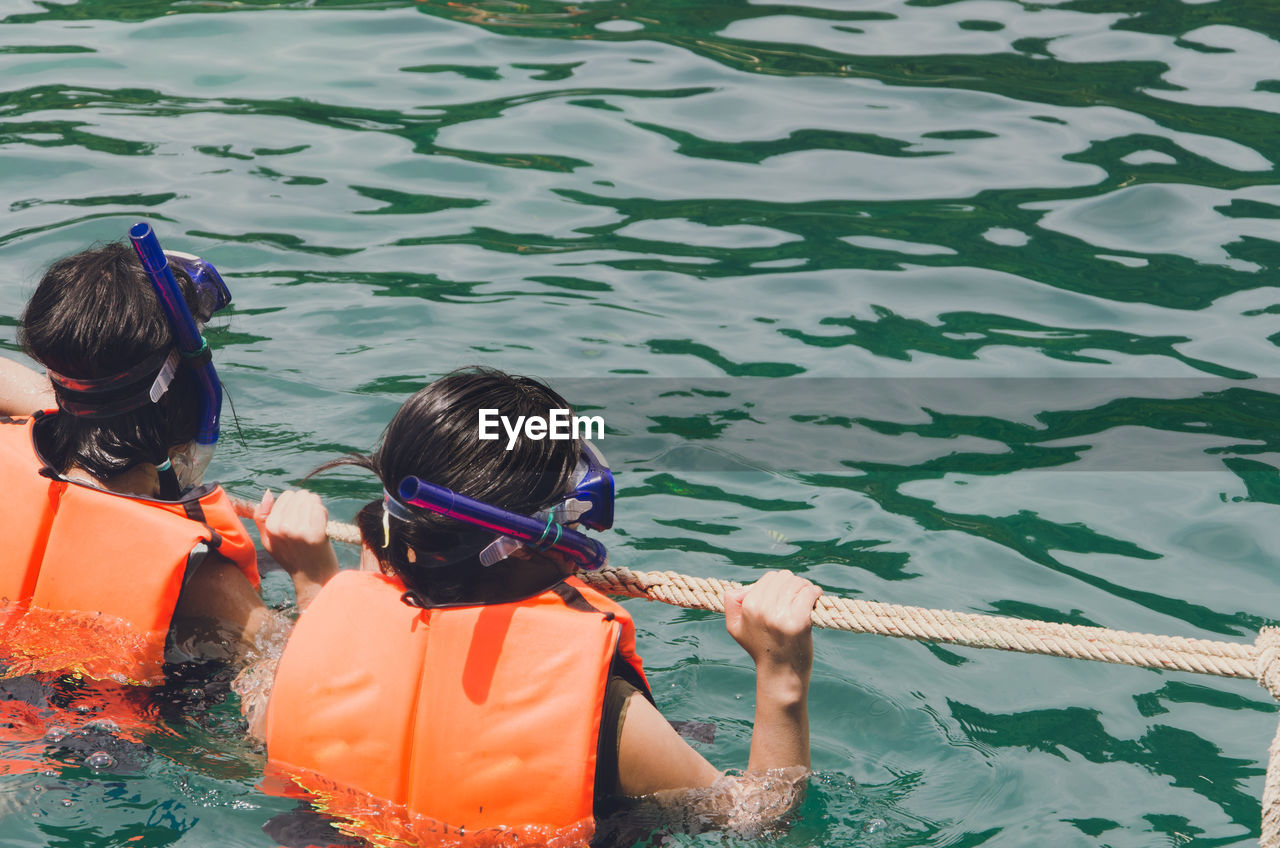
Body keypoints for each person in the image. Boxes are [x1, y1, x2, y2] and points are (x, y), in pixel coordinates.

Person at [251, 367, 823, 844]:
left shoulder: (307, 653)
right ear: (522, 543)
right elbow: (759, 821)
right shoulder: (610, 720)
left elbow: (265, 725)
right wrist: (781, 676)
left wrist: (313, 585)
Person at [0, 230, 337, 686]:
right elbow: (314, 698)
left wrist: (84, 404)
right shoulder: (204, 581)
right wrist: (315, 579)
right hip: (94, 745)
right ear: (190, 397)